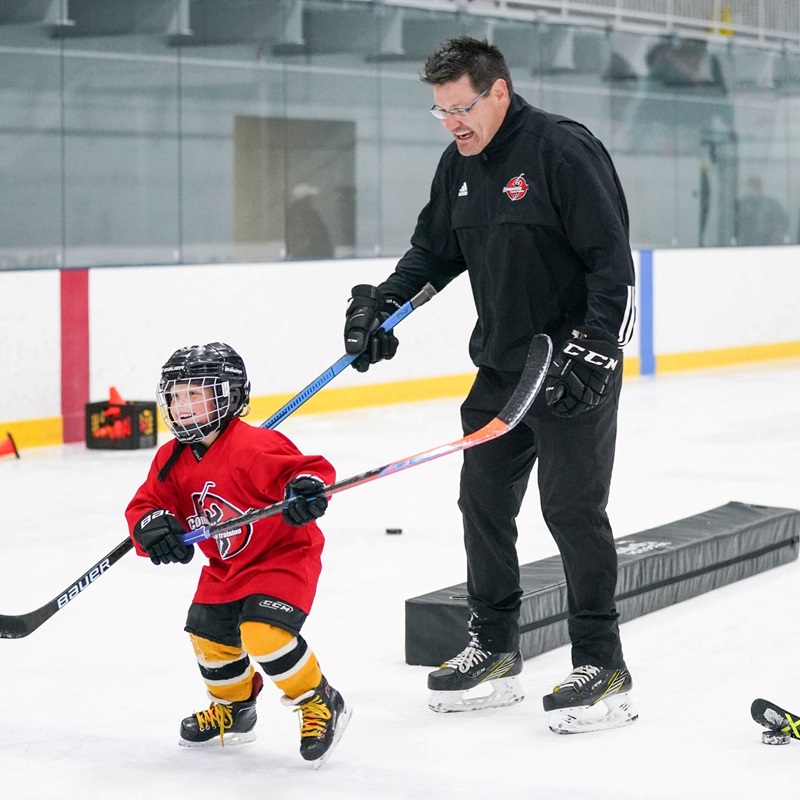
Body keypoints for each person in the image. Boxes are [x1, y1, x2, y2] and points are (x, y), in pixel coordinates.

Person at [341, 37, 636, 734]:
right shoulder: (460, 165)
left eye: (461, 108)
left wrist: (595, 352)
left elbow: (612, 264)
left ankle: (603, 662)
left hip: (567, 367)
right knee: (482, 500)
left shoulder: (563, 151)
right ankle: (497, 647)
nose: (451, 123)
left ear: (498, 91)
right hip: (503, 367)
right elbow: (434, 254)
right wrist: (383, 307)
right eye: (440, 112)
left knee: (571, 511)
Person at [125, 342, 350, 764]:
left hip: (282, 556)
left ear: (227, 396)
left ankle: (319, 700)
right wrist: (150, 526)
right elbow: (145, 504)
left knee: (264, 636)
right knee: (208, 638)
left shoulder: (253, 446)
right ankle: (235, 710)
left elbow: (310, 470)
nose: (182, 405)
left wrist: (305, 490)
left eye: (195, 394)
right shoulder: (170, 459)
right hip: (225, 566)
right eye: (175, 396)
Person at [285, 184, 335, 260]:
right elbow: (308, 236)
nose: (311, 200)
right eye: (309, 197)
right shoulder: (303, 215)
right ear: (304, 198)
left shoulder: (304, 213)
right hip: (310, 256)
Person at [734, 177, 788, 246]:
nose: (754, 190)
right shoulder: (740, 206)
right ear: (747, 188)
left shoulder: (771, 205)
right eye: (751, 187)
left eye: (756, 186)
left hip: (768, 243)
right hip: (745, 244)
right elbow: (733, 224)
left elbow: (780, 222)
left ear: (760, 188)